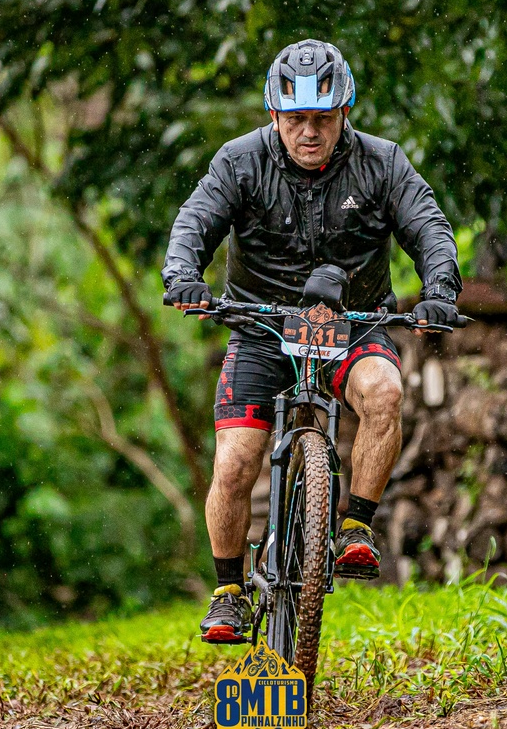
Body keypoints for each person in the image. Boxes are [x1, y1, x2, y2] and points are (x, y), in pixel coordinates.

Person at [162, 39, 462, 644]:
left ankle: (355, 526)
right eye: (296, 118)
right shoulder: (239, 162)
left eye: (322, 118)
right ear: (273, 114)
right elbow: (195, 221)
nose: (309, 132)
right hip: (262, 329)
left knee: (385, 392)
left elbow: (429, 226)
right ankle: (228, 592)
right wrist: (183, 276)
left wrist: (440, 290)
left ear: (344, 112)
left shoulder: (383, 163)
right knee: (236, 460)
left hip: (353, 325)